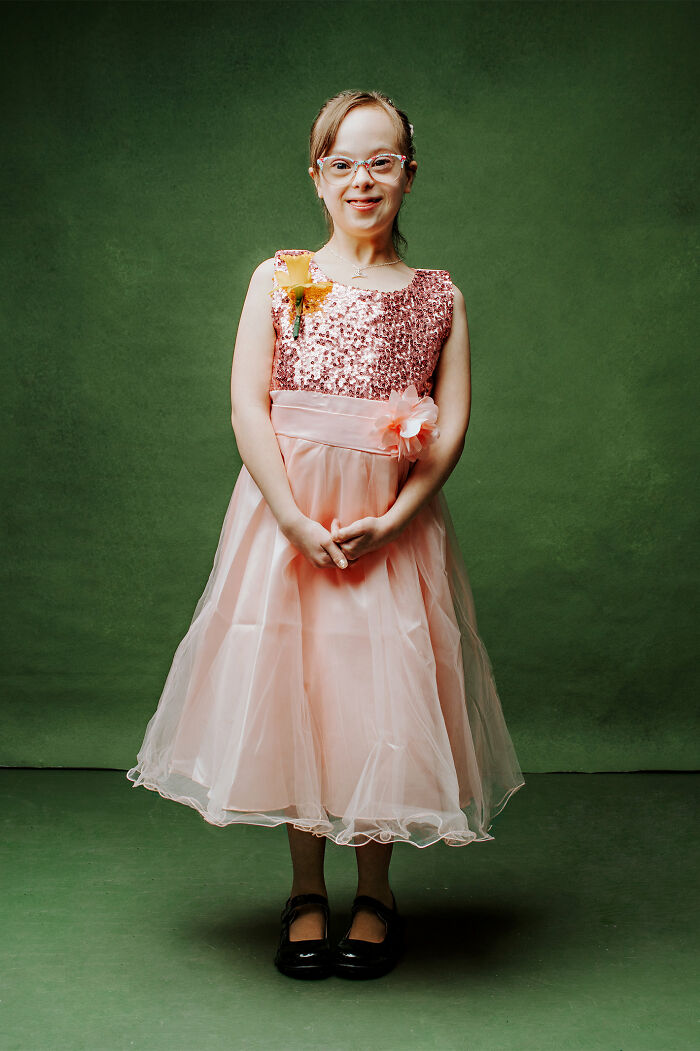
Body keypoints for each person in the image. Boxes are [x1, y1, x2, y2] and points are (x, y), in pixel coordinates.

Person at [126, 88, 525, 982]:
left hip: (387, 521)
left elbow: (452, 422)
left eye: (381, 162)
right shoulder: (282, 276)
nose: (362, 179)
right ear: (316, 177)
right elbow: (247, 406)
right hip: (290, 519)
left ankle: (375, 891)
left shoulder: (436, 295)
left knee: (373, 695)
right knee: (296, 688)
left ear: (409, 177)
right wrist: (292, 515)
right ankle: (306, 888)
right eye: (342, 163)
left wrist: (400, 513)